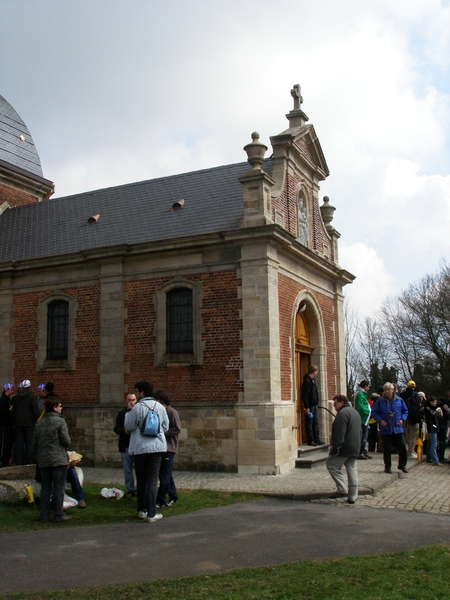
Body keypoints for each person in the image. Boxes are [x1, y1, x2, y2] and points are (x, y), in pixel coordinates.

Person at [125, 380, 169, 523]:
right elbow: (166, 426)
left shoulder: (137, 408)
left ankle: (142, 510)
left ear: (142, 392)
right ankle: (152, 512)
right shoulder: (160, 407)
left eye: (137, 391)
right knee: (152, 480)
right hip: (157, 447)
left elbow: (129, 425)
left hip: (140, 448)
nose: (137, 394)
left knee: (142, 479)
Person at [33, 396, 72, 523]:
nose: (61, 408)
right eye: (60, 406)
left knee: (45, 487)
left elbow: (35, 442)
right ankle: (58, 514)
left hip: (44, 459)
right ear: (54, 407)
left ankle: (44, 515)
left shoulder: (39, 422)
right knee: (58, 487)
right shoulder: (60, 422)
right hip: (58, 458)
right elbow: (66, 440)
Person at [326, 394, 361, 504]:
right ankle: (353, 495)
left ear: (341, 402)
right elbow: (361, 431)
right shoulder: (355, 412)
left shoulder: (342, 414)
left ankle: (342, 488)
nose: (334, 406)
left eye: (335, 403)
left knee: (331, 465)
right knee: (352, 469)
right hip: (355, 446)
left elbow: (339, 433)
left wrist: (336, 448)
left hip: (344, 447)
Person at [371, 382, 409, 474]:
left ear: (393, 390)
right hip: (386, 428)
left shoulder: (399, 400)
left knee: (402, 446)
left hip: (398, 428)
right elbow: (374, 412)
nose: (387, 391)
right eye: (385, 390)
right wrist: (380, 420)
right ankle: (387, 466)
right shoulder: (380, 401)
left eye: (389, 389)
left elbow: (405, 411)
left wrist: (402, 419)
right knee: (387, 448)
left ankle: (402, 465)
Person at [155, 390, 181, 508]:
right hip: (161, 447)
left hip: (169, 447)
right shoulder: (159, 412)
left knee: (164, 475)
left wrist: (163, 433)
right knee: (166, 474)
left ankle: (160, 499)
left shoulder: (171, 412)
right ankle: (173, 496)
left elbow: (177, 428)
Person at [11, 379, 40, 465]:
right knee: (30, 443)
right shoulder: (32, 397)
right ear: (29, 387)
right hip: (29, 424)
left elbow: (13, 412)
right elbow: (35, 411)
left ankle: (18, 462)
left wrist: (14, 422)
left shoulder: (16, 398)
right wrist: (36, 420)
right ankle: (30, 462)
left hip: (18, 424)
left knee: (19, 444)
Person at [114, 392, 137, 497]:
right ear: (126, 401)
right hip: (125, 444)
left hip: (137, 445)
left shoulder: (139, 412)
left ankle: (140, 489)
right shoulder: (122, 413)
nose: (131, 402)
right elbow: (116, 428)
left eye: (133, 400)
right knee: (127, 470)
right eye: (129, 400)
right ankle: (130, 489)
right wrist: (124, 430)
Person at [399, 380, 422, 458]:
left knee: (406, 434)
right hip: (413, 418)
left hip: (404, 417)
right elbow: (418, 406)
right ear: (414, 387)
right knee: (412, 435)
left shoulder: (401, 395)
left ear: (407, 386)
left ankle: (406, 450)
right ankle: (410, 451)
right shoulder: (415, 395)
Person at [301, 364, 322, 446]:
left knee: (315, 422)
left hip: (314, 405)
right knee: (310, 423)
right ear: (314, 371)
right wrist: (306, 407)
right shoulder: (307, 381)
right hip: (309, 406)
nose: (317, 373)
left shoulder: (313, 380)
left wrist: (316, 403)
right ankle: (310, 440)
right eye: (316, 371)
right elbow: (305, 395)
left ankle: (317, 438)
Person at [423, 396, 443, 467]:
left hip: (434, 426)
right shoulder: (427, 408)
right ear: (430, 402)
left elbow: (436, 416)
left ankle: (429, 458)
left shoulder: (432, 408)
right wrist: (436, 411)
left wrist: (439, 413)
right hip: (432, 428)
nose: (435, 403)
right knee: (434, 444)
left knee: (430, 443)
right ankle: (435, 460)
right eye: (434, 402)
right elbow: (432, 415)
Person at [354, 380, 372, 459]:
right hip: (362, 418)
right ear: (365, 386)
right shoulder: (360, 394)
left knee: (365, 436)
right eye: (368, 386)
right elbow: (361, 407)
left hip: (364, 418)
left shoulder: (362, 394)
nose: (368, 388)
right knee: (362, 436)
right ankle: (360, 452)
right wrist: (368, 411)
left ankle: (363, 450)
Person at [0, 383, 15, 468]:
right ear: (7, 390)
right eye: (11, 390)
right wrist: (8, 410)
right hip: (4, 425)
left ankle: (5, 461)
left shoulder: (8, 400)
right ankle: (2, 461)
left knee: (8, 444)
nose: (12, 392)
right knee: (4, 443)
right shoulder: (3, 400)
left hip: (8, 425)